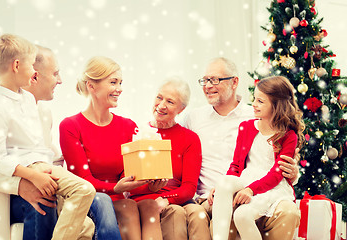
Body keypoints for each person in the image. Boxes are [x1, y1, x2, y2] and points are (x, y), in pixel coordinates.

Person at [0, 34, 95, 240]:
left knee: (85, 224)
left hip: (43, 167)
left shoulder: (28, 100)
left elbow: (38, 145)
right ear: (17, 65)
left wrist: (46, 166)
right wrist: (31, 176)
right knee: (79, 192)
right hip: (27, 174)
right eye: (31, 66)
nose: (34, 72)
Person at [183, 57, 301, 240]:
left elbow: (279, 169)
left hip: (261, 187)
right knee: (226, 194)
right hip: (224, 191)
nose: (207, 86)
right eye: (205, 80)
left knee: (281, 213)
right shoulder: (195, 118)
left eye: (214, 80)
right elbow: (235, 164)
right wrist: (222, 187)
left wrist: (293, 173)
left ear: (234, 82)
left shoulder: (258, 118)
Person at [59, 56, 163, 240]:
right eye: (113, 82)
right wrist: (115, 188)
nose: (119, 89)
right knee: (128, 206)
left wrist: (150, 185)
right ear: (92, 86)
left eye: (120, 82)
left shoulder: (128, 126)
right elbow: (83, 181)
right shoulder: (71, 126)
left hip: (118, 197)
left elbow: (129, 180)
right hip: (91, 198)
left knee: (146, 205)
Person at [210, 76, 305, 240]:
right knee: (224, 182)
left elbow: (276, 174)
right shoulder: (246, 127)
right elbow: (236, 165)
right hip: (247, 178)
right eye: (255, 99)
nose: (254, 104)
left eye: (260, 101)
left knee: (242, 216)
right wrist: (223, 187)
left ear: (277, 105)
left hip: (272, 186)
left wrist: (251, 190)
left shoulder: (288, 136)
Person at [128, 77, 204, 240]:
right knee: (175, 213)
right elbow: (129, 185)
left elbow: (189, 187)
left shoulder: (190, 139)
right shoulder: (137, 133)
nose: (161, 105)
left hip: (178, 198)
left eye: (170, 102)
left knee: (199, 213)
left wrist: (165, 199)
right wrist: (154, 192)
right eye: (159, 97)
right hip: (144, 200)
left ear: (181, 109)